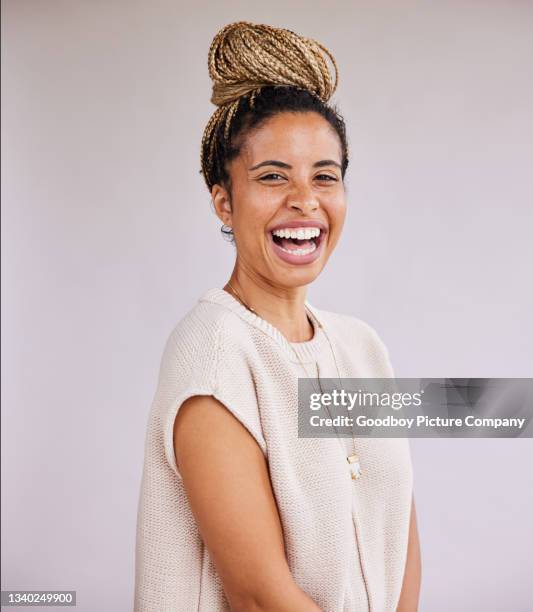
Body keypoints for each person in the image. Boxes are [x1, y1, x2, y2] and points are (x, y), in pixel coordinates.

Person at [134, 21, 421, 612]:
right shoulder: (215, 356)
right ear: (223, 199)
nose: (305, 200)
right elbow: (260, 597)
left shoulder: (363, 348)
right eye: (272, 177)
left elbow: (398, 546)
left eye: (325, 175)